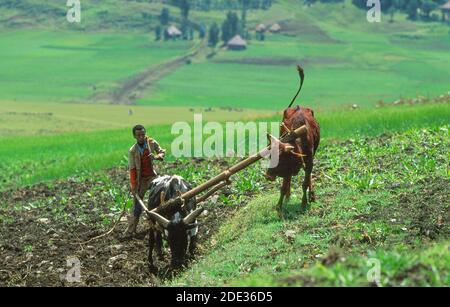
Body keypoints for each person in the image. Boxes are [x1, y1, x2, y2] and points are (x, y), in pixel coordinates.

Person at [124, 124, 165, 237]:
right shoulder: (133, 151)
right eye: (139, 135)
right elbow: (132, 170)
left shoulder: (151, 143)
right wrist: (133, 186)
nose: (141, 137)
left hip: (152, 177)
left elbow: (162, 152)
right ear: (135, 136)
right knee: (137, 207)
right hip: (140, 180)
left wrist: (157, 157)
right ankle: (131, 230)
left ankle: (163, 223)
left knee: (161, 195)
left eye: (143, 134)